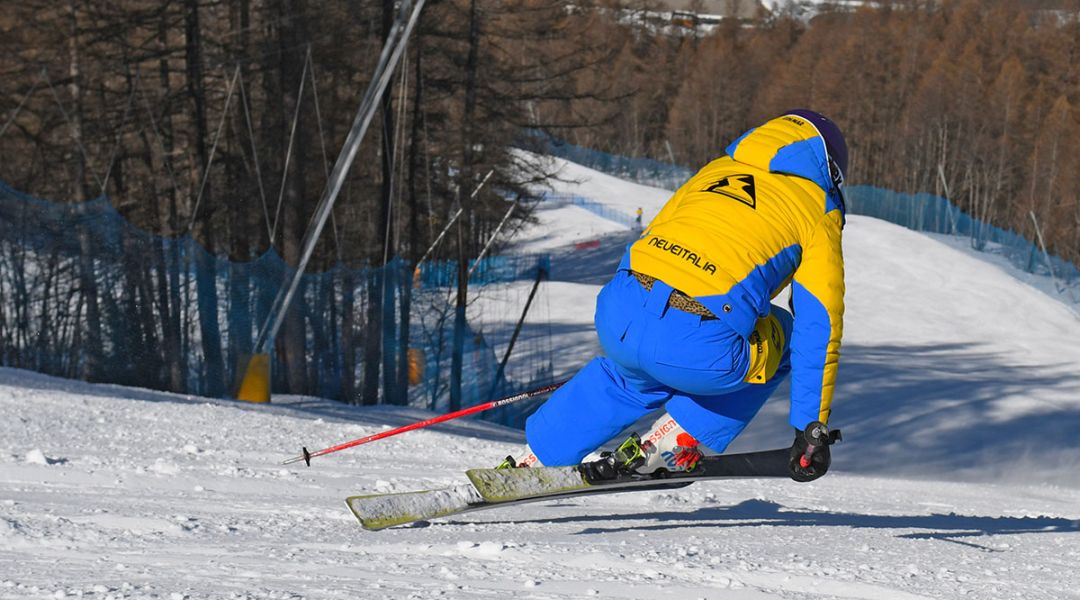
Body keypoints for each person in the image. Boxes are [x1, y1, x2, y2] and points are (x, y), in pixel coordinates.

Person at [509, 110, 847, 481]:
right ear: (831, 172)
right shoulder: (817, 206)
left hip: (620, 313)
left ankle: (537, 456)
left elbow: (655, 235)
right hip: (700, 345)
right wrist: (809, 429)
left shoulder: (714, 170)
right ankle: (674, 442)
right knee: (784, 334)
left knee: (628, 378)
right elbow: (819, 323)